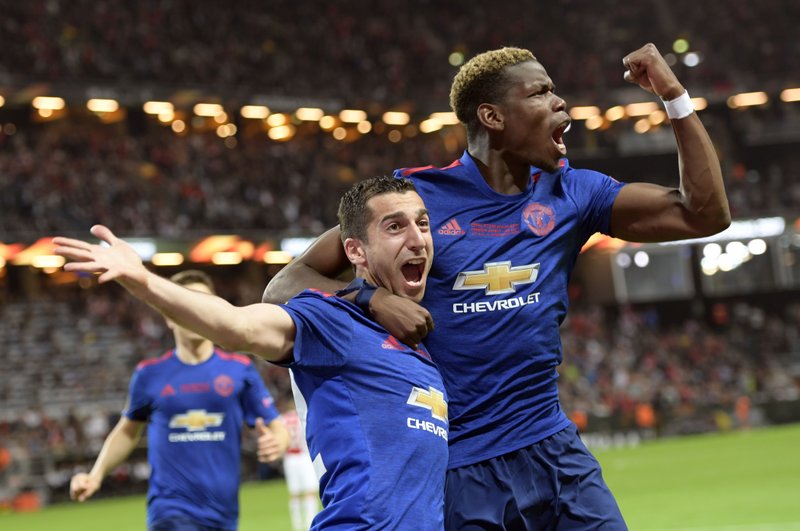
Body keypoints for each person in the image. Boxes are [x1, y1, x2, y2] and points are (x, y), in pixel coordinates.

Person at [262, 43, 731, 529]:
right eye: (540, 92)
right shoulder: (416, 200)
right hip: (459, 468)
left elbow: (705, 214)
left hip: (555, 453)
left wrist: (673, 95)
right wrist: (373, 298)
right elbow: (283, 284)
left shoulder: (574, 193)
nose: (560, 103)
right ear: (492, 116)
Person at [54, 177, 449, 530]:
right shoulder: (332, 320)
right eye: (395, 226)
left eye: (423, 224)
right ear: (355, 252)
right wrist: (142, 280)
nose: (417, 238)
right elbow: (236, 325)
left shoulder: (420, 343)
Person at [68, 269, 290, 531]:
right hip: (170, 511)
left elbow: (276, 427)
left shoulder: (239, 370)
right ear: (169, 316)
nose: (196, 312)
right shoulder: (149, 374)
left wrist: (278, 443)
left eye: (203, 304)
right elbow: (127, 431)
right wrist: (95, 475)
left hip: (224, 515)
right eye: (187, 303)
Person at [279, 398, 320, 531]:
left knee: (294, 493)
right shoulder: (302, 416)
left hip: (290, 458)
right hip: (304, 456)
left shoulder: (282, 419)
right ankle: (310, 523)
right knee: (310, 491)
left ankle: (297, 525)